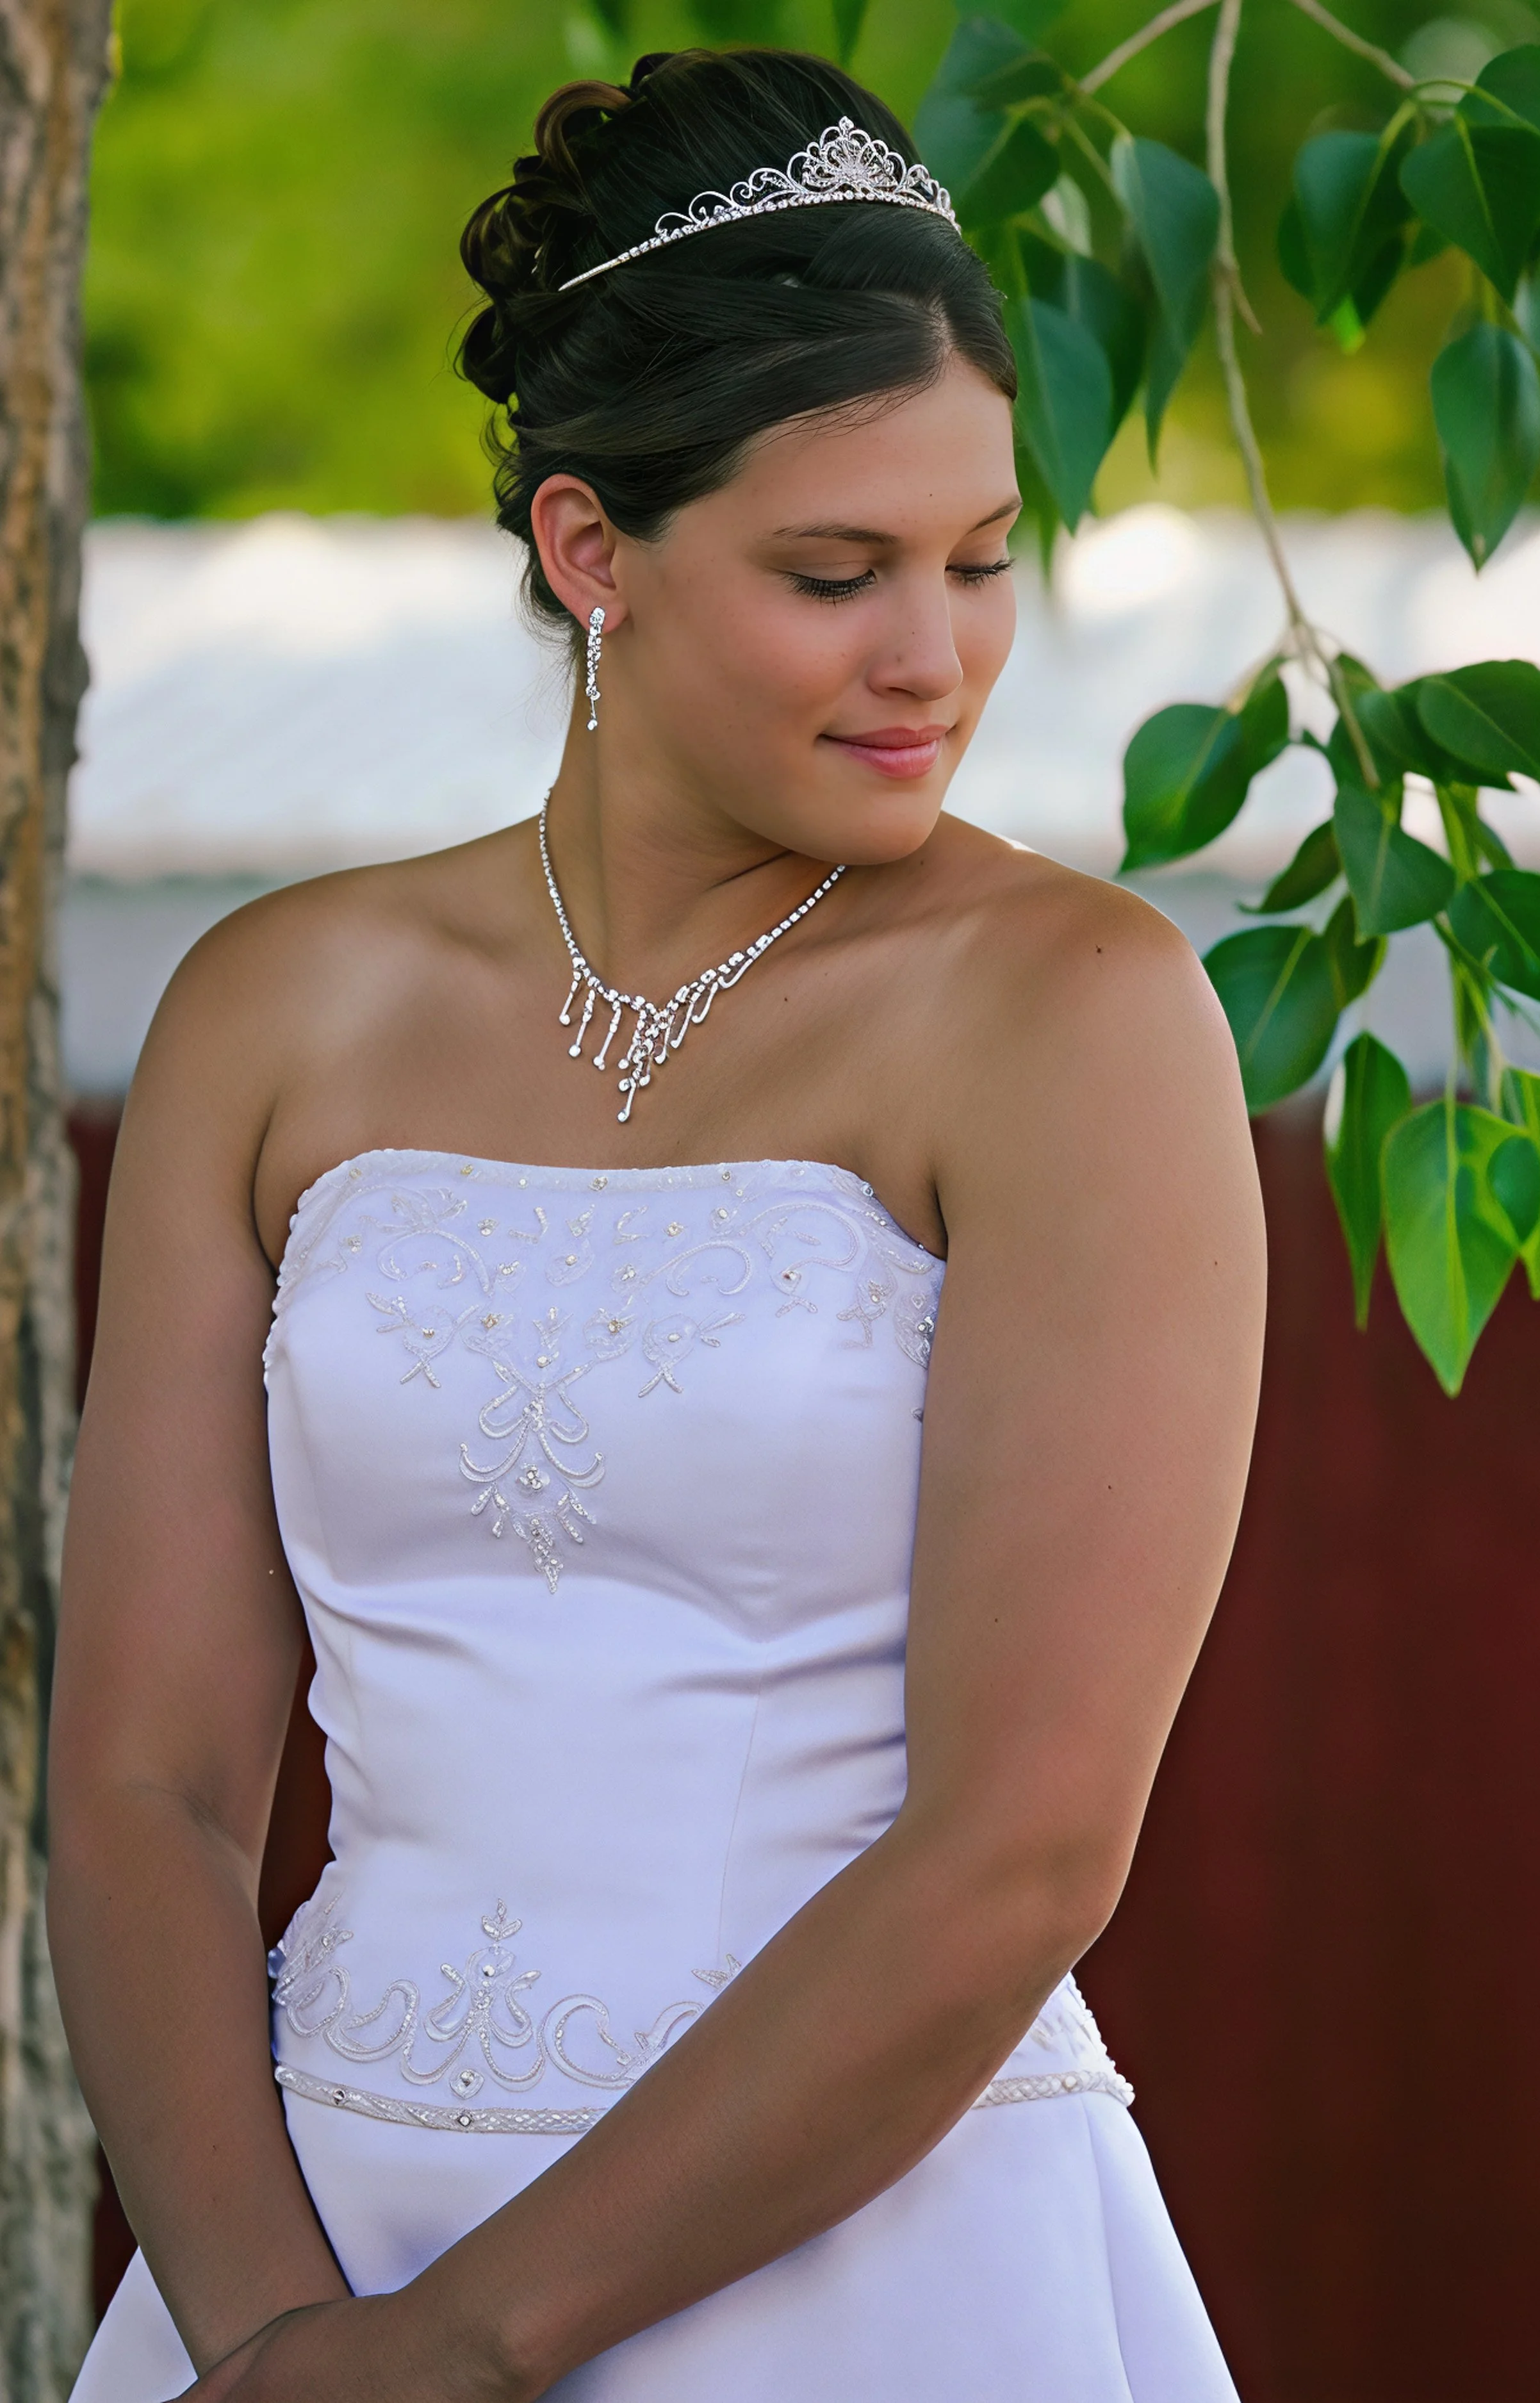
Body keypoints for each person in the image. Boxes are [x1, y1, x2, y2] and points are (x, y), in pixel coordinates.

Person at [53, 45, 1265, 2402]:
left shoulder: (1073, 1018)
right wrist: (282, 2333)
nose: (937, 658)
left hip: (871, 2258)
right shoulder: (278, 1005)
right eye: (838, 574)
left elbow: (1021, 1846)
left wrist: (474, 2348)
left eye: (982, 559)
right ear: (589, 549)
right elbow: (149, 1782)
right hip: (303, 2236)